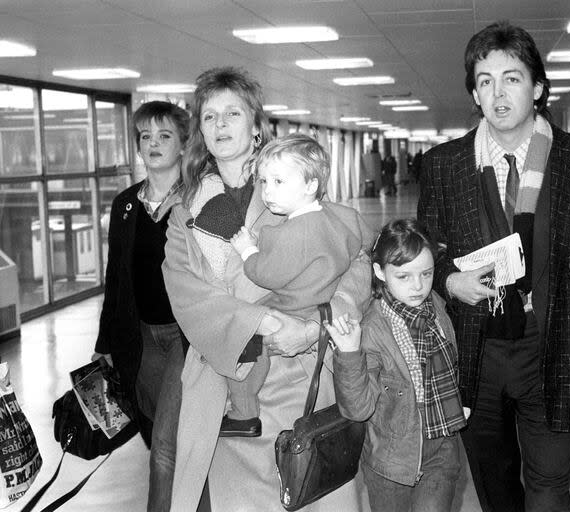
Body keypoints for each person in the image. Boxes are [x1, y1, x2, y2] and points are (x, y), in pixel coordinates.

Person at [417, 21, 570, 511]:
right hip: (476, 353)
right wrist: (448, 278)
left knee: (549, 493)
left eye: (511, 78)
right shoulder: (444, 164)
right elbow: (426, 246)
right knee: (496, 492)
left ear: (538, 89)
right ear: (474, 93)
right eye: (485, 80)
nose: (498, 92)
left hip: (555, 346)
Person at [162, 67, 372, 512]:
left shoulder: (287, 186)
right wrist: (263, 323)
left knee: (319, 493)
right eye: (209, 116)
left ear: (256, 125)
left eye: (232, 113)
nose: (220, 125)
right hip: (232, 384)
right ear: (199, 130)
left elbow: (354, 261)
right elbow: (186, 295)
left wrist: (318, 325)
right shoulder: (185, 211)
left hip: (304, 379)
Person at [226, 133, 365, 430]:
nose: (267, 192)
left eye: (278, 181)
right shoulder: (336, 219)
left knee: (245, 341)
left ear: (311, 185)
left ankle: (243, 409)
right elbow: (355, 251)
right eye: (263, 181)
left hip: (293, 307)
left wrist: (246, 249)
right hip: (318, 301)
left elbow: (265, 274)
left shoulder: (295, 232)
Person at [327, 219, 466, 512]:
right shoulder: (373, 330)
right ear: (379, 272)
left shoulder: (437, 308)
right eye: (403, 276)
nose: (418, 286)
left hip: (441, 449)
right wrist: (350, 353)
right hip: (391, 464)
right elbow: (359, 409)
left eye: (426, 274)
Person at [93, 100, 189, 512]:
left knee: (166, 449)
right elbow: (116, 280)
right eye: (146, 136)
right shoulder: (125, 205)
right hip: (141, 340)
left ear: (184, 145)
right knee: (159, 439)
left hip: (186, 341)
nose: (153, 143)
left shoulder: (197, 200)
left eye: (164, 135)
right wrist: (105, 345)